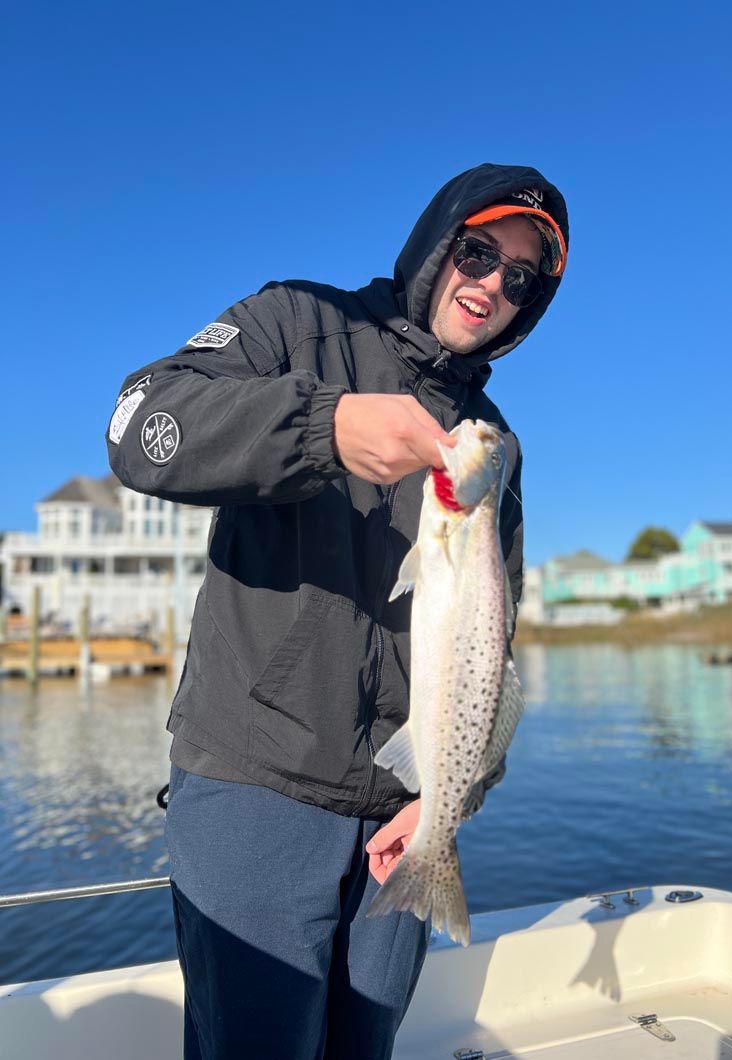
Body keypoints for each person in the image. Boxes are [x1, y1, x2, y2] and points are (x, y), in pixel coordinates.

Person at [106, 162, 568, 1059]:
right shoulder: (296, 323)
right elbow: (139, 425)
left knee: (366, 1047)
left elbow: (489, 650)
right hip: (257, 790)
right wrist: (325, 428)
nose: (492, 287)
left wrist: (450, 798)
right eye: (479, 252)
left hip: (400, 818)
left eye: (521, 278)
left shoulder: (491, 444)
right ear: (437, 242)